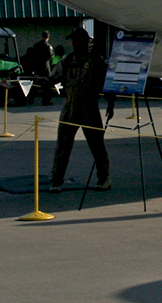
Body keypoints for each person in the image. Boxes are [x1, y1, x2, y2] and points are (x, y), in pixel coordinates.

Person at [49, 26, 115, 192]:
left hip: (89, 109)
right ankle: (56, 181)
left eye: (77, 40)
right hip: (69, 108)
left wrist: (110, 103)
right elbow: (51, 78)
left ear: (85, 41)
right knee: (62, 147)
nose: (74, 43)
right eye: (73, 40)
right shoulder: (67, 60)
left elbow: (106, 83)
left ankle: (104, 178)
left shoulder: (95, 61)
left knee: (97, 146)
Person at [24, 30, 55, 106]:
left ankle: (30, 98)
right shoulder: (48, 46)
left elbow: (33, 55)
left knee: (35, 85)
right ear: (48, 37)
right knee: (47, 86)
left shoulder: (36, 45)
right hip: (45, 68)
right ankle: (46, 101)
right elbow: (51, 56)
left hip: (37, 68)